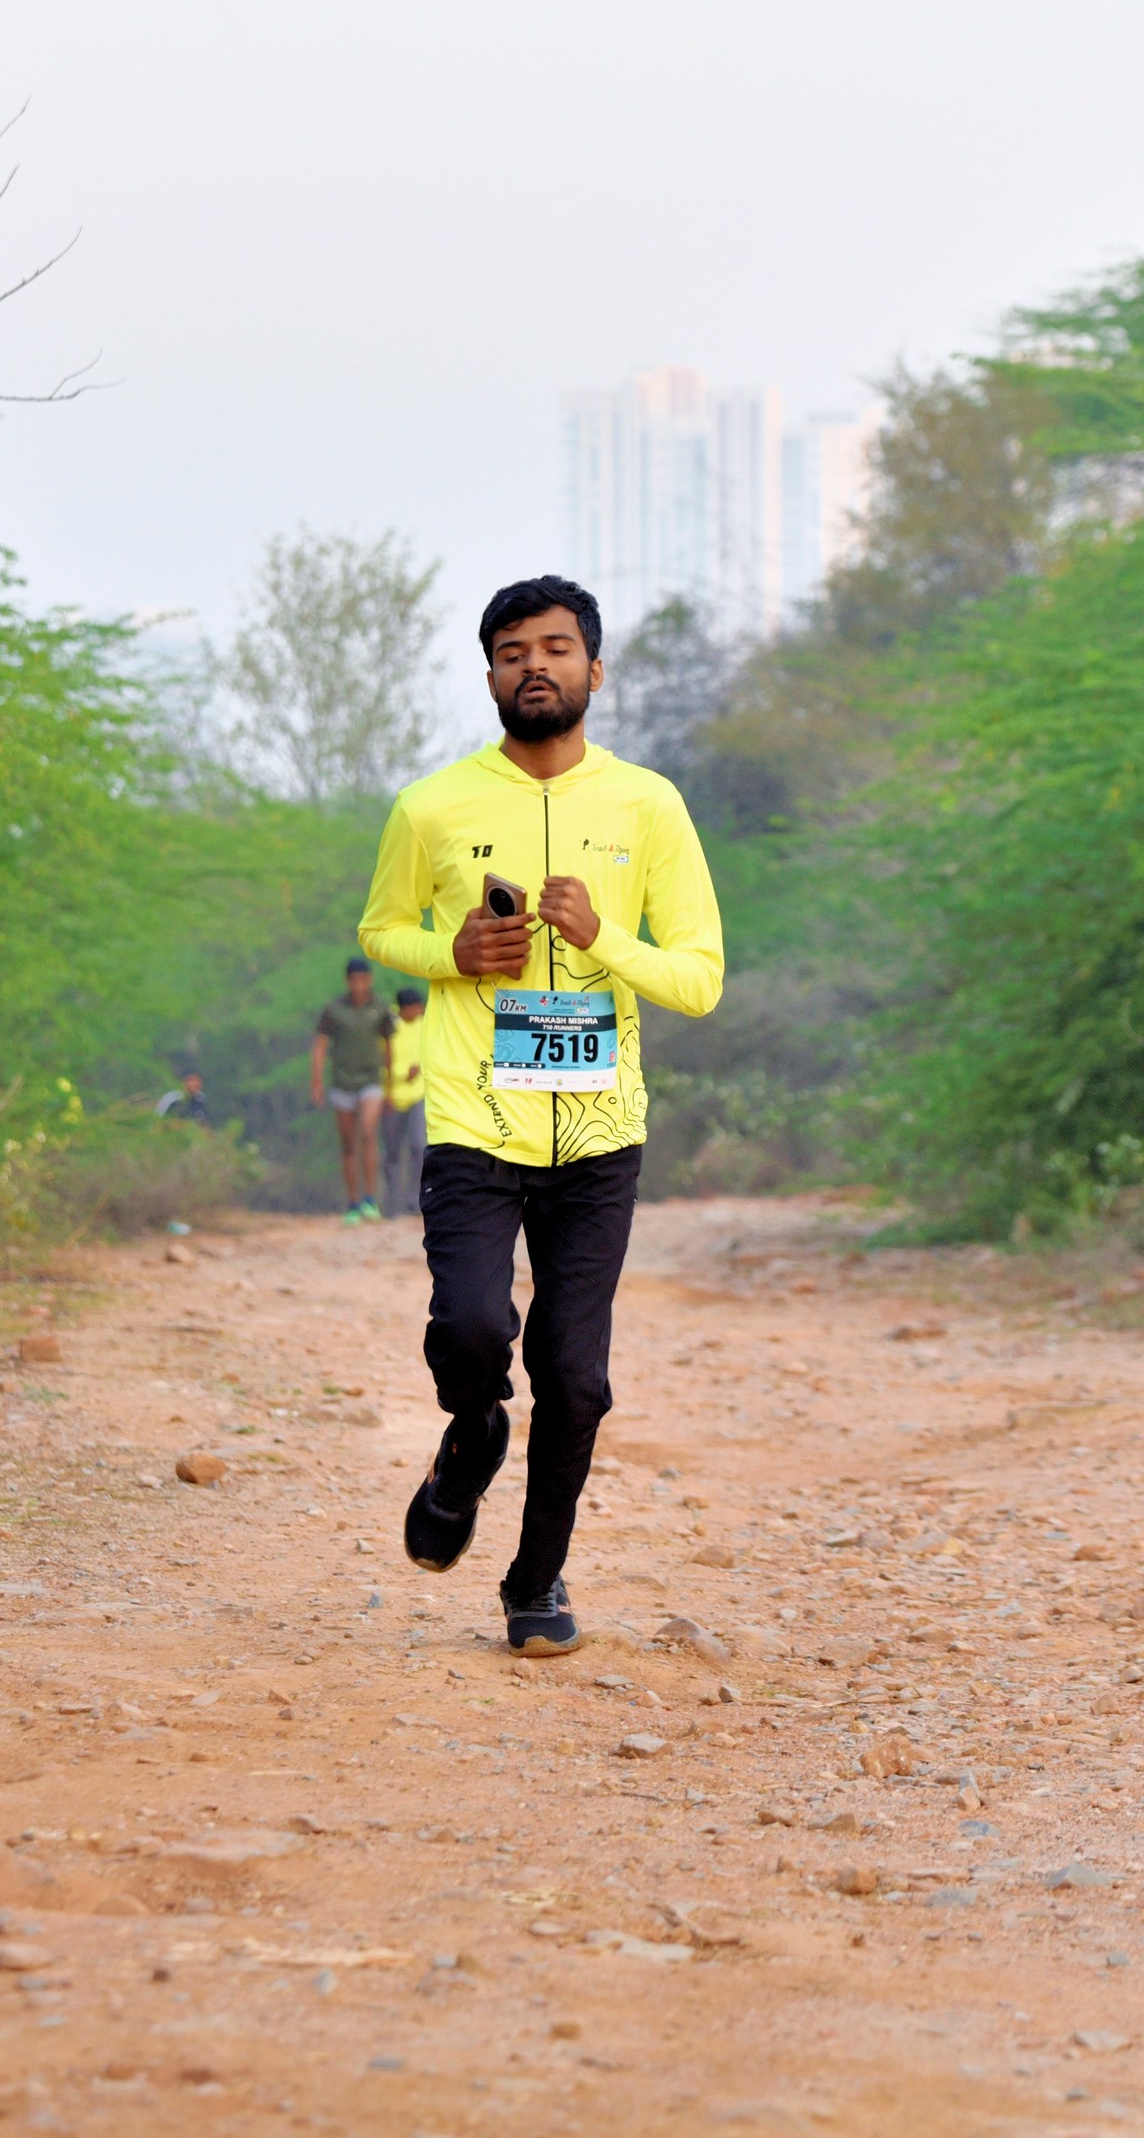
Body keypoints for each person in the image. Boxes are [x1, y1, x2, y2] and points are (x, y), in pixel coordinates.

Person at [360, 572, 723, 1655]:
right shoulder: (431, 806)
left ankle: (535, 1579)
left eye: (556, 647)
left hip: (600, 1134)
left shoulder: (648, 805)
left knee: (575, 1377)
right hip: (474, 1120)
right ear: (488, 677)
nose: (535, 666)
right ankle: (471, 1434)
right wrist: (453, 951)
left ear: (593, 669)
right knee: (473, 1328)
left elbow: (698, 978)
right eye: (512, 651)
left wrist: (605, 936)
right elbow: (381, 930)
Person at [310, 956, 391, 1224]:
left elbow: (389, 1045)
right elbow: (321, 1045)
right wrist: (317, 1080)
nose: (358, 985)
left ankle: (371, 1198)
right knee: (348, 1144)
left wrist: (390, 1081)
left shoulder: (380, 1008)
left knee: (368, 1132)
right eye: (353, 980)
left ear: (370, 980)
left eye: (362, 980)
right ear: (347, 981)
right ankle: (353, 1202)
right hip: (342, 1081)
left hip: (371, 1079)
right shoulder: (334, 1009)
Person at [380, 986, 427, 1218]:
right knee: (392, 1151)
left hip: (418, 1093)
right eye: (415, 1008)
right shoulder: (388, 1026)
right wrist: (399, 1075)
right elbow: (381, 1060)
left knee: (419, 1146)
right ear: (404, 1008)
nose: (419, 1011)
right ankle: (392, 1202)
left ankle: (414, 1199)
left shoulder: (423, 1024)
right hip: (392, 1095)